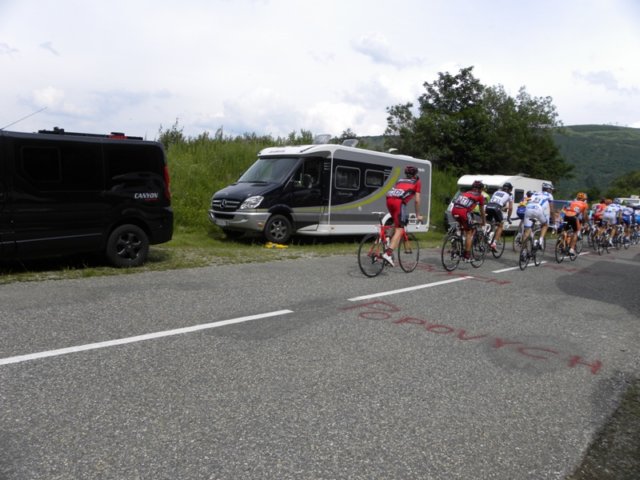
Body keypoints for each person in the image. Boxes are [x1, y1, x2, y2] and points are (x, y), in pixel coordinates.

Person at [382, 165, 423, 266]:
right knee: (400, 230)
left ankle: (387, 238)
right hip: (399, 202)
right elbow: (417, 200)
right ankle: (388, 254)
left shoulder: (400, 180)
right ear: (415, 174)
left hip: (389, 200)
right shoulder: (417, 181)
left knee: (396, 222)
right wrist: (418, 215)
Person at [450, 180, 487, 261]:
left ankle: (456, 242)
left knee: (462, 227)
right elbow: (482, 211)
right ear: (481, 189)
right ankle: (467, 255)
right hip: (464, 212)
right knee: (469, 232)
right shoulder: (480, 196)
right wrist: (484, 222)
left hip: (454, 210)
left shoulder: (465, 193)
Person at [522, 182, 555, 251]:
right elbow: (552, 210)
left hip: (528, 209)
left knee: (526, 232)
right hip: (538, 210)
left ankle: (523, 251)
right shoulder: (549, 195)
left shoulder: (535, 193)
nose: (551, 191)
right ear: (549, 189)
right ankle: (540, 241)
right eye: (551, 190)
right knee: (545, 225)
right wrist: (554, 222)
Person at [485, 182, 513, 250]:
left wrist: (502, 208)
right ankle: (494, 243)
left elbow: (496, 201)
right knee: (500, 225)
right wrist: (508, 217)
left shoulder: (497, 192)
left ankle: (484, 235)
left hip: (488, 206)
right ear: (510, 189)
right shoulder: (510, 195)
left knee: (488, 223)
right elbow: (510, 208)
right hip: (496, 207)